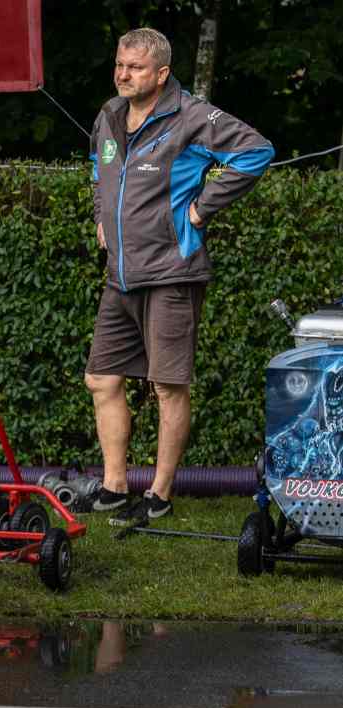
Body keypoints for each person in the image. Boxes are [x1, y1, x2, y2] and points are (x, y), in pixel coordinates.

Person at [85, 27, 273, 525]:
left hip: (172, 272)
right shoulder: (109, 114)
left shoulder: (191, 116)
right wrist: (102, 215)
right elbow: (98, 167)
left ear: (162, 73)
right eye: (120, 64)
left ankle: (160, 494)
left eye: (136, 67)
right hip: (120, 275)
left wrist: (201, 209)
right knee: (101, 379)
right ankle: (114, 487)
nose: (124, 74)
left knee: (167, 386)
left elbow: (256, 151)